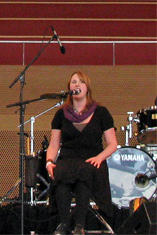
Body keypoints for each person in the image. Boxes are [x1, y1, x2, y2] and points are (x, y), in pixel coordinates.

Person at [45, 71, 117, 235]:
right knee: (60, 172)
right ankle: (64, 223)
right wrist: (49, 161)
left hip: (92, 158)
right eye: (73, 82)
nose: (76, 85)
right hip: (68, 158)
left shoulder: (101, 112)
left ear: (87, 87)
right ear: (69, 88)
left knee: (85, 171)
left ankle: (79, 225)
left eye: (81, 82)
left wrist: (99, 158)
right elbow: (54, 145)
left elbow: (112, 144)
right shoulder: (60, 114)